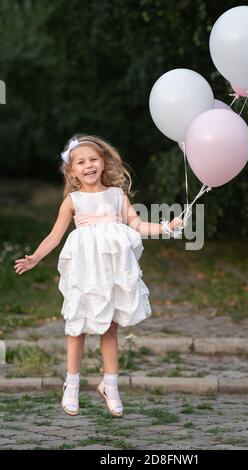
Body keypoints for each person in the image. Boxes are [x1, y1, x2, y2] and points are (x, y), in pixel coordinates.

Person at [14, 134, 183, 418]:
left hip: (112, 271)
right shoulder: (73, 201)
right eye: (80, 162)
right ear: (72, 171)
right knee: (77, 325)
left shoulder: (117, 196)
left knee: (110, 326)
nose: (88, 165)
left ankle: (110, 385)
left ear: (103, 162)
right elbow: (55, 236)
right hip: (85, 271)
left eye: (93, 159)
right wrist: (35, 257)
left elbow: (137, 224)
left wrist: (167, 227)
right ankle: (72, 384)